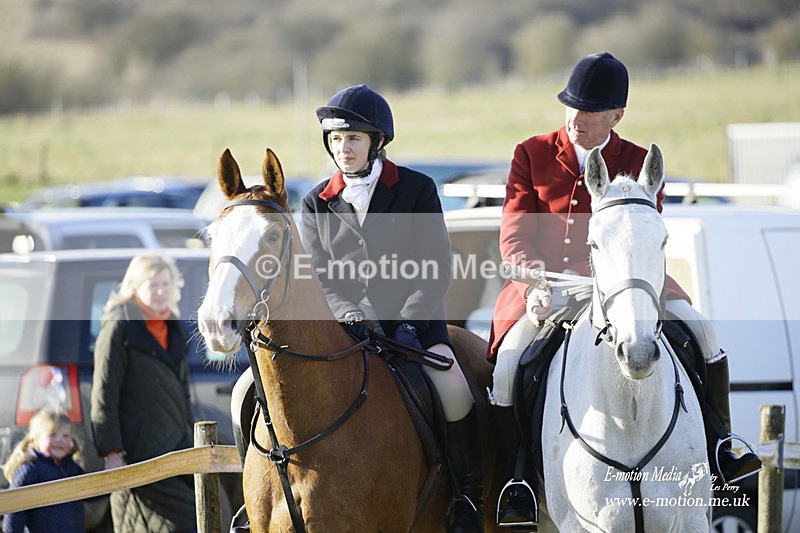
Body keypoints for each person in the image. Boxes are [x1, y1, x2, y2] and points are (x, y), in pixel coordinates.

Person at [487, 51, 762, 528]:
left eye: (590, 112)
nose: (577, 119)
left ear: (616, 116)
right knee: (510, 361)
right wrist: (533, 283)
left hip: (627, 281)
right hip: (551, 286)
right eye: (571, 107)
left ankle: (722, 444)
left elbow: (644, 234)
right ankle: (517, 480)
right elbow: (514, 236)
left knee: (702, 330)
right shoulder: (531, 153)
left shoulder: (637, 161)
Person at [299, 84, 483, 532]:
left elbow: (436, 265)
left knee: (455, 392)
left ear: (377, 141)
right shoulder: (315, 201)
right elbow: (320, 275)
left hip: (414, 328)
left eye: (354, 138)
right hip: (346, 332)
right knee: (254, 391)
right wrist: (348, 314)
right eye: (336, 139)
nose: (343, 148)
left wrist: (407, 323)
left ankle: (467, 498)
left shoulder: (416, 189)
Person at [91, 253, 197, 533]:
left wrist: (191, 437)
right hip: (140, 455)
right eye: (153, 284)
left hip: (178, 449)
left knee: (214, 510)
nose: (161, 291)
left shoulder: (174, 327)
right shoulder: (119, 326)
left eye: (166, 284)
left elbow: (183, 393)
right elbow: (104, 393)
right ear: (135, 287)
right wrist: (111, 452)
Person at [2, 406, 85, 533]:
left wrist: (111, 479)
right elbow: (14, 509)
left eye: (65, 435)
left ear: (71, 441)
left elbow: (91, 491)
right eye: (52, 434)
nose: (59, 440)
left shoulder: (72, 469)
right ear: (36, 440)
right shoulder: (31, 470)